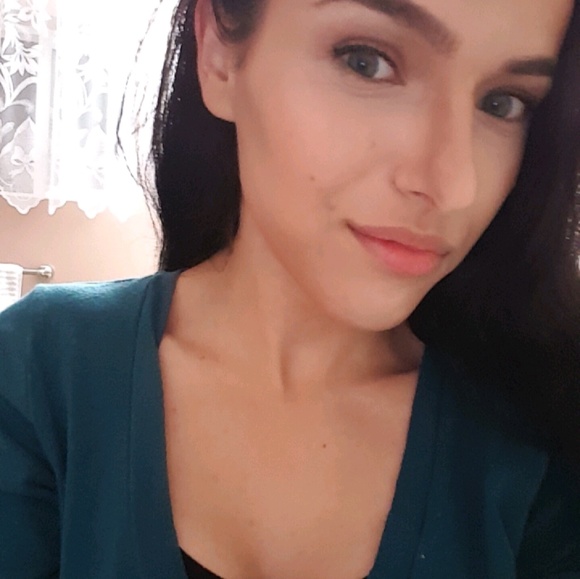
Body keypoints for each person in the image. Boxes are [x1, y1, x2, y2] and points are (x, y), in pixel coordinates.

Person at [1, 0, 579, 577]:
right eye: (367, 62)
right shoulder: (41, 375)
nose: (454, 185)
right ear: (220, 55)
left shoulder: (532, 444)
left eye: (503, 103)